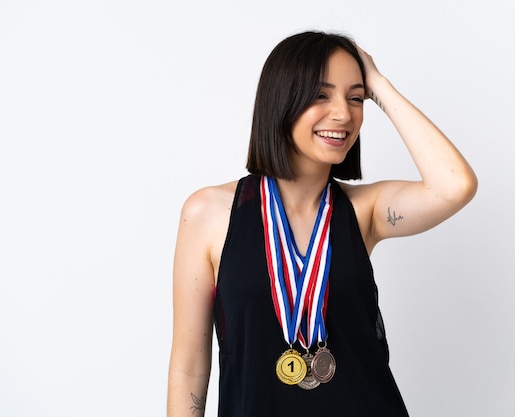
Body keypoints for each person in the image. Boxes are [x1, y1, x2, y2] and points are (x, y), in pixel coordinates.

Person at [167, 30, 477, 417]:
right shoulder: (209, 213)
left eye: (355, 97)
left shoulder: (365, 211)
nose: (344, 114)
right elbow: (189, 368)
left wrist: (379, 84)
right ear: (282, 99)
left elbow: (455, 186)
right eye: (320, 94)